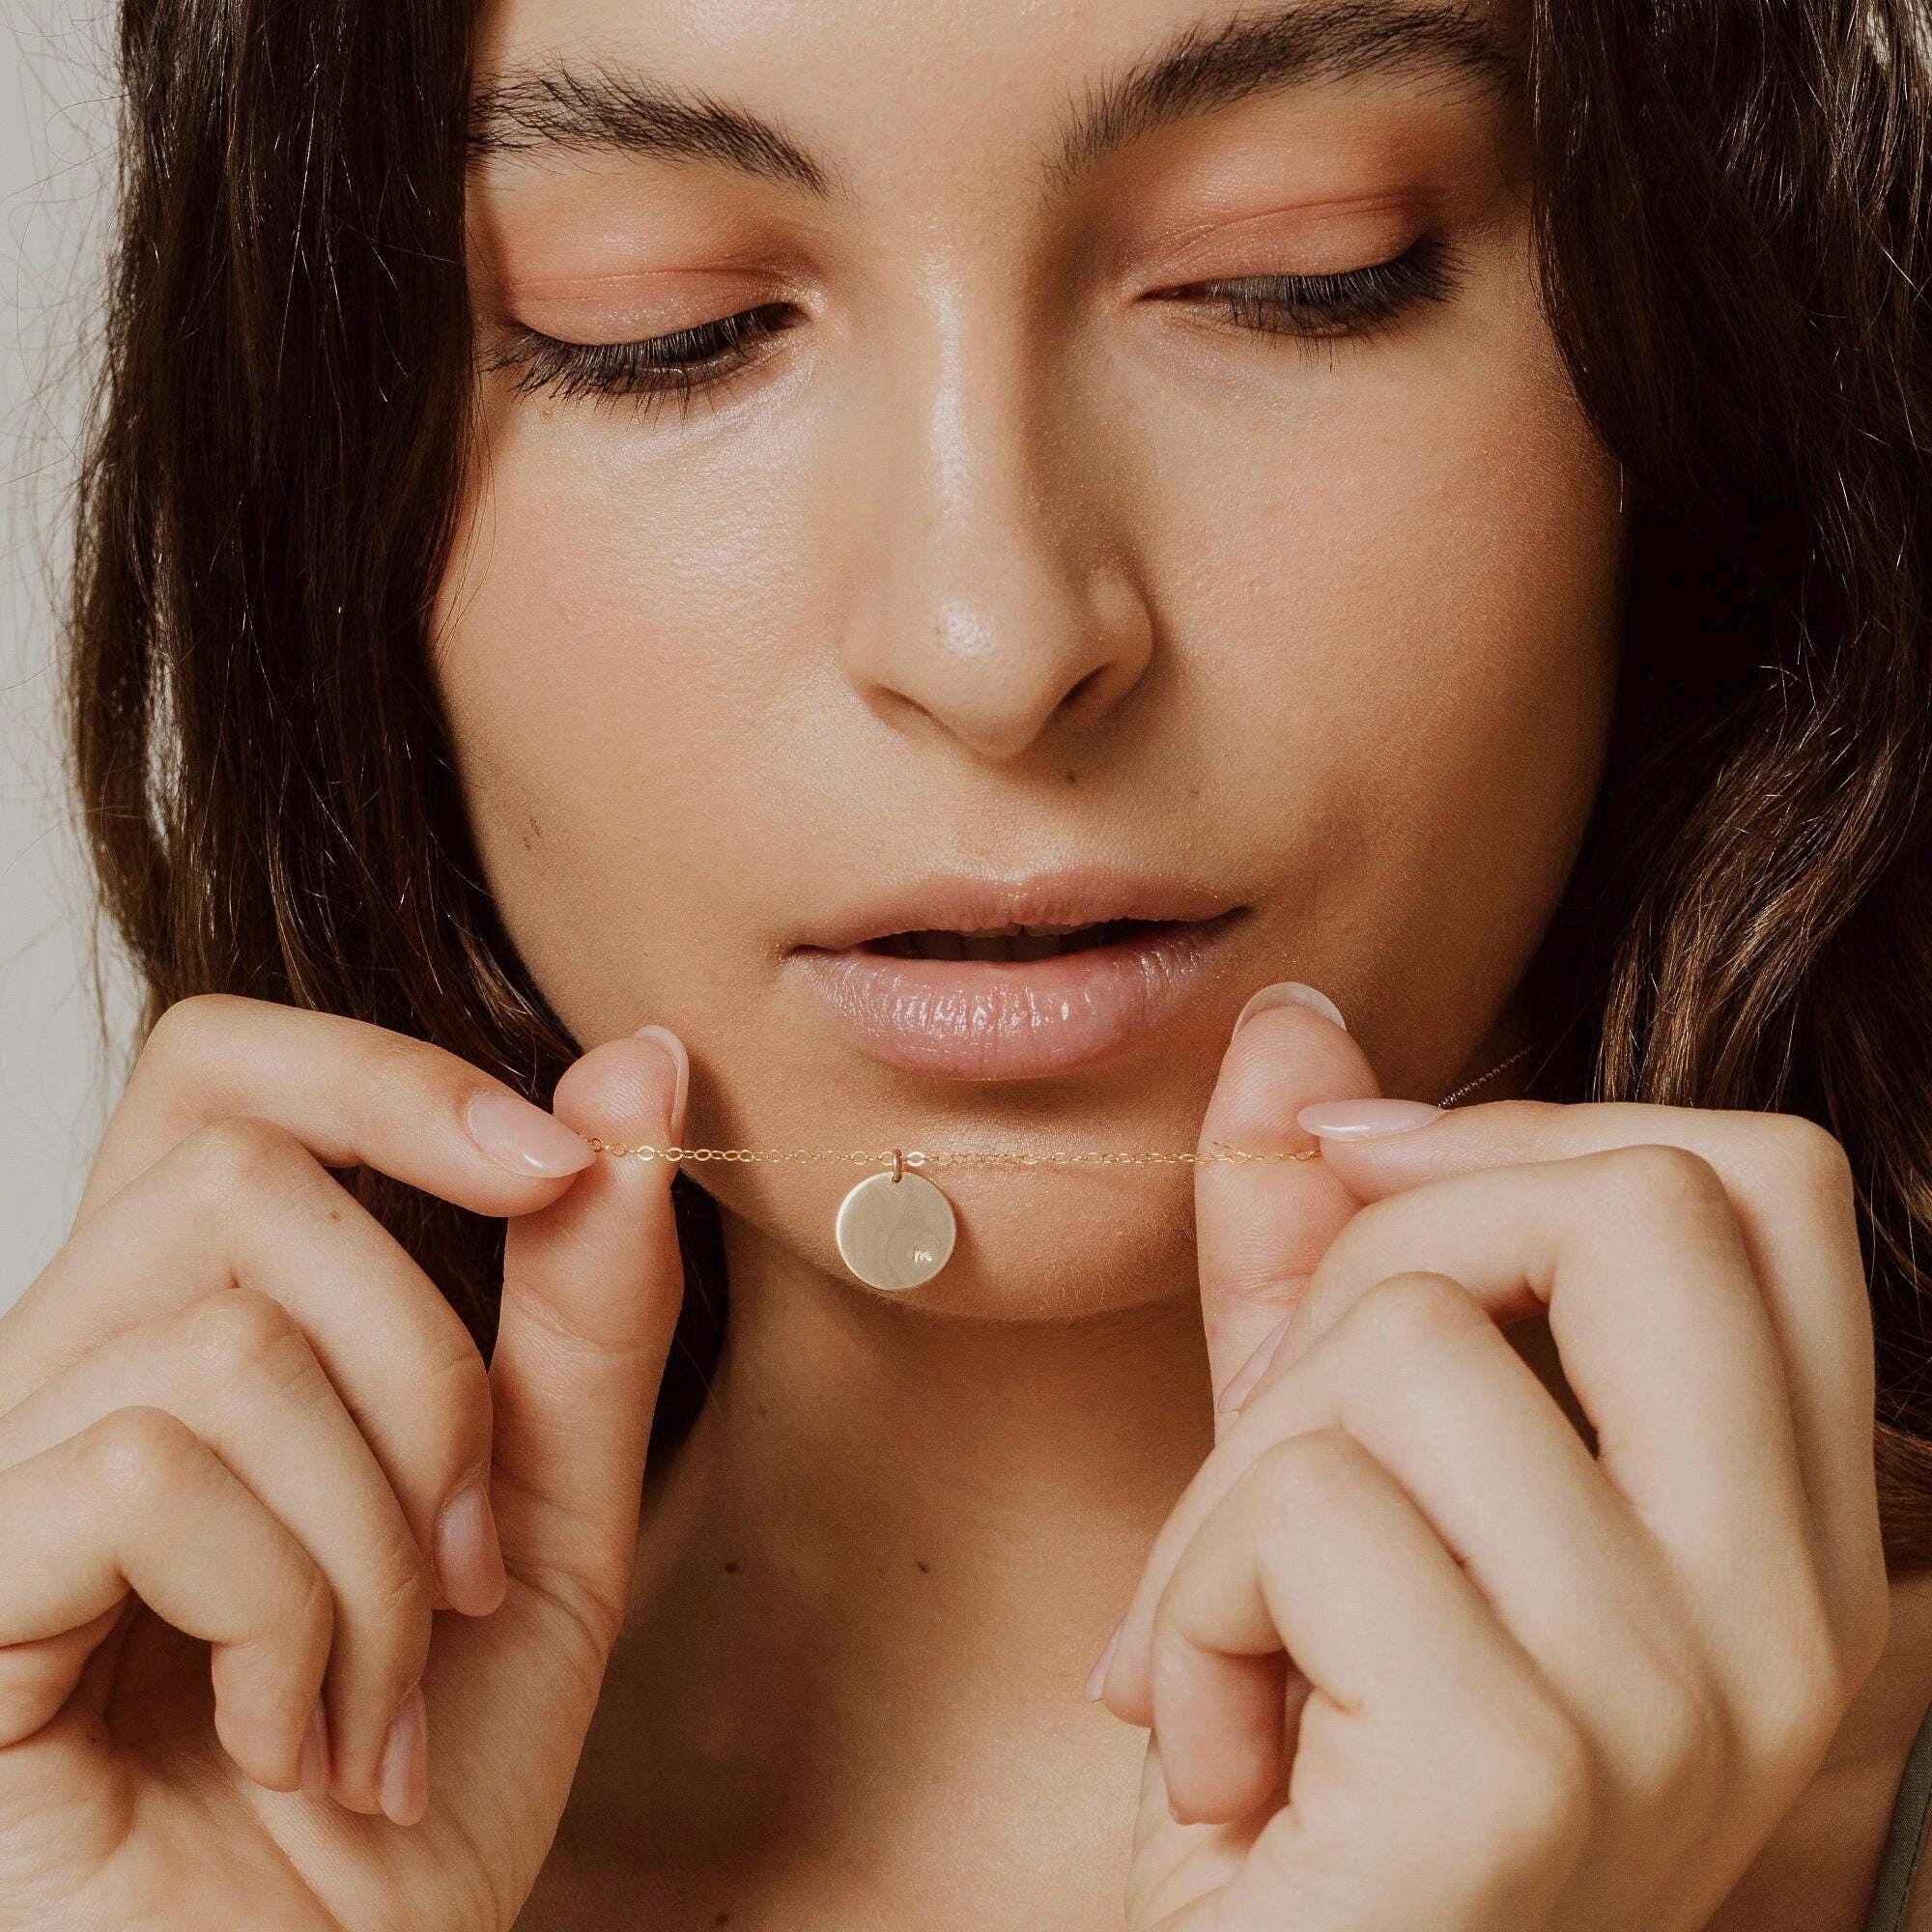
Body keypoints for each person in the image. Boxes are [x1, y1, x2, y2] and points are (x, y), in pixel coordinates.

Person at [4, 0, 1929, 1923]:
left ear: (1688, 342)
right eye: (664, 327)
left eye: (1297, 270)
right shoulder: (135, 1825)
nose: (993, 640)